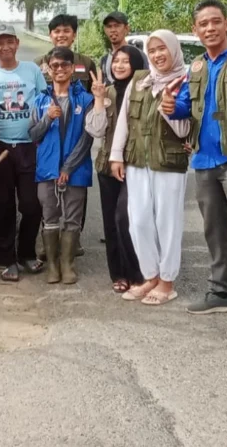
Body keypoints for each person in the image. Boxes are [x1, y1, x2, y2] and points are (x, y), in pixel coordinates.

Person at [162, 0, 227, 333]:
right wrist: (171, 104)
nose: (210, 28)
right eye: (203, 24)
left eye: (215, 21)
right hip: (203, 160)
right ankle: (221, 292)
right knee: (214, 230)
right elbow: (186, 106)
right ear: (195, 29)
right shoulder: (196, 66)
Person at [108, 31, 191, 306]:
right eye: (152, 50)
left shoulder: (186, 80)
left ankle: (167, 282)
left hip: (168, 162)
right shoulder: (140, 80)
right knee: (138, 221)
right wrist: (116, 155)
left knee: (167, 223)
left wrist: (170, 108)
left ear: (174, 50)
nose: (157, 55)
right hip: (136, 160)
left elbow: (185, 130)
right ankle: (151, 275)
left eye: (162, 49)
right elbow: (124, 120)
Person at [0, 23, 48, 281]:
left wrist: (43, 136)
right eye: (0, 42)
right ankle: (5, 259)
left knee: (32, 204)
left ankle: (27, 253)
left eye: (10, 41)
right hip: (0, 147)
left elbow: (44, 103)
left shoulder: (32, 70)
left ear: (17, 44)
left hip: (29, 146)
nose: (5, 47)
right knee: (2, 205)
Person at [29, 47, 103, 284]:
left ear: (72, 69)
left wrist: (68, 168)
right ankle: (52, 266)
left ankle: (67, 264)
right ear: (48, 70)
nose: (59, 69)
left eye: (64, 65)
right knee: (49, 217)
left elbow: (87, 138)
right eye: (55, 65)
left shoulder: (86, 99)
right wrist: (47, 118)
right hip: (46, 169)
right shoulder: (40, 100)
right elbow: (33, 134)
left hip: (76, 170)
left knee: (72, 218)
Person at [86, 45, 145, 294]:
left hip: (137, 165)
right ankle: (119, 273)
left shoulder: (145, 90)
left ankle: (138, 272)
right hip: (107, 166)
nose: (119, 65)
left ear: (136, 64)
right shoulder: (106, 91)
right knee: (111, 222)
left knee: (128, 218)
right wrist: (99, 99)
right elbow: (95, 130)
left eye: (125, 61)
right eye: (116, 61)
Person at [35, 14, 97, 92]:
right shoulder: (38, 64)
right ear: (50, 35)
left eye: (66, 31)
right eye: (57, 31)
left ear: (74, 35)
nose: (61, 35)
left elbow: (94, 93)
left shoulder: (86, 63)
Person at [98, 11, 147, 84]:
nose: (113, 30)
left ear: (127, 28)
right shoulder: (104, 60)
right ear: (105, 30)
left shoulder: (138, 55)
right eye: (109, 26)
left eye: (117, 26)